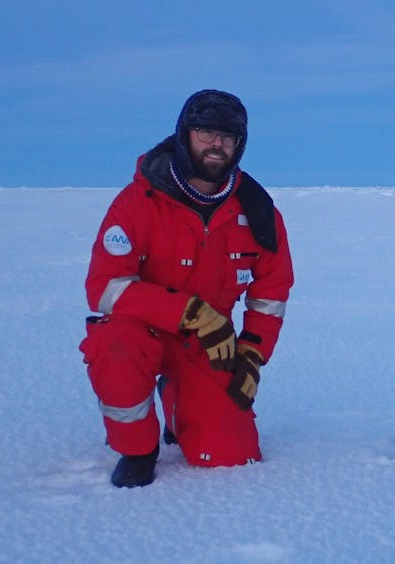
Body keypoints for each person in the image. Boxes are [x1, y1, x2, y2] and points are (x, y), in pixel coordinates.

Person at [80, 90, 294, 487]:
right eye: (207, 132)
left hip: (211, 343)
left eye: (229, 137)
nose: (218, 144)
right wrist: (190, 313)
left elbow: (272, 291)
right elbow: (105, 286)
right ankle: (139, 449)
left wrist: (252, 352)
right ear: (184, 135)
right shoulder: (138, 202)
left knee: (230, 456)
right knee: (114, 345)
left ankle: (179, 404)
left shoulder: (259, 211)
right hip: (142, 330)